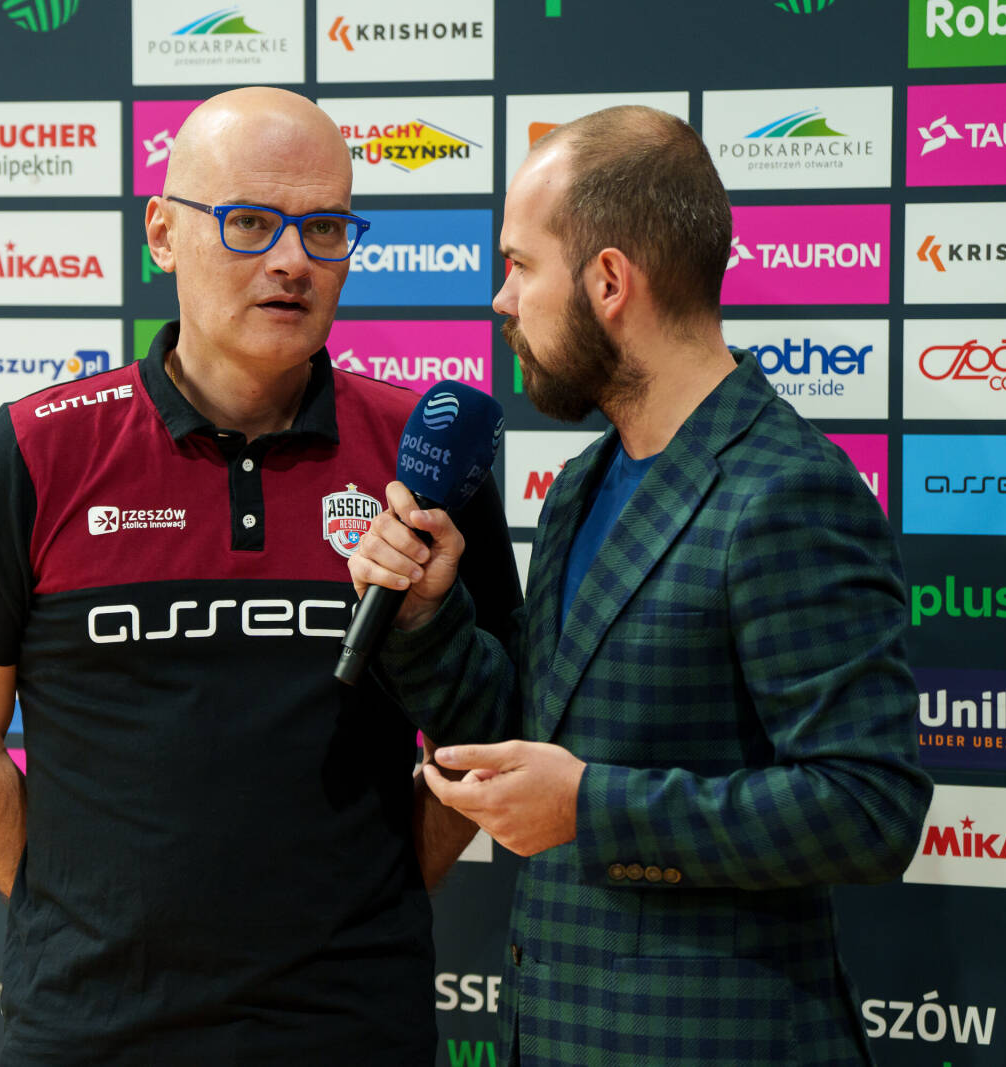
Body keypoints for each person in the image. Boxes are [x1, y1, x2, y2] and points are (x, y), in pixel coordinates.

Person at [0, 87, 519, 1065]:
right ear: (163, 232)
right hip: (91, 1033)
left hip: (353, 1029)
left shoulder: (424, 462)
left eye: (325, 228)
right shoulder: (33, 453)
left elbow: (485, 739)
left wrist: (379, 894)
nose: (291, 260)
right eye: (249, 222)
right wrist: (87, 915)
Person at [348, 105, 933, 1067]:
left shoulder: (786, 491)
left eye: (520, 265)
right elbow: (535, 731)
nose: (500, 300)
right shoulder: (582, 483)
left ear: (609, 281)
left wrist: (591, 808)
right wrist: (425, 616)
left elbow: (868, 807)